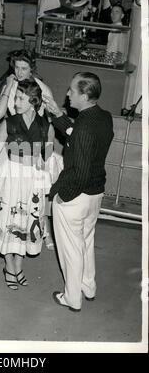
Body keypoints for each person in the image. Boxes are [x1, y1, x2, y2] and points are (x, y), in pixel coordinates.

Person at [44, 72, 114, 312]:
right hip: (95, 194)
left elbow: (80, 171)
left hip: (76, 195)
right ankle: (88, 286)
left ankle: (72, 298)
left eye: (71, 91)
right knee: (85, 241)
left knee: (70, 249)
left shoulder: (83, 128)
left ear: (84, 96)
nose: (67, 94)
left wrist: (63, 194)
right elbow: (76, 132)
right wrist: (56, 114)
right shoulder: (102, 117)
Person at [0, 80, 55, 290]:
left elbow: (47, 157)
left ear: (33, 101)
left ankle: (19, 265)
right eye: (15, 97)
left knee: (26, 221)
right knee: (7, 219)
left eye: (20, 98)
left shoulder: (45, 126)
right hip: (10, 175)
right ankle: (9, 265)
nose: (16, 101)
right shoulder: (9, 122)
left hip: (32, 179)